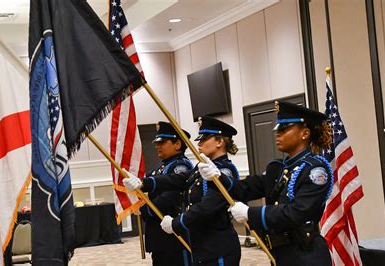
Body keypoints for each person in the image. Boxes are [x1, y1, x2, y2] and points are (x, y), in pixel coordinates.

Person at [199, 101, 334, 266]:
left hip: (305, 255)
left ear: (304, 133)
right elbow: (245, 189)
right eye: (278, 130)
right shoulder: (277, 169)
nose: (278, 134)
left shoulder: (315, 170)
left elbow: (297, 213)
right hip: (280, 254)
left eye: (284, 130)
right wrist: (217, 177)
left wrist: (251, 213)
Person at [124, 116, 241, 265]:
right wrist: (142, 183)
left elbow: (208, 206)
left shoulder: (224, 170)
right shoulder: (202, 168)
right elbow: (176, 179)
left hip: (217, 246)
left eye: (205, 138)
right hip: (201, 244)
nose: (199, 143)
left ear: (219, 142)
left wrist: (177, 223)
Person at [140, 121, 194, 266]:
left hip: (174, 235)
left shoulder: (180, 166)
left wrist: (143, 210)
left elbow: (168, 199)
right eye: (157, 142)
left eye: (163, 142)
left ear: (177, 144)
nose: (157, 145)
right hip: (159, 234)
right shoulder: (162, 165)